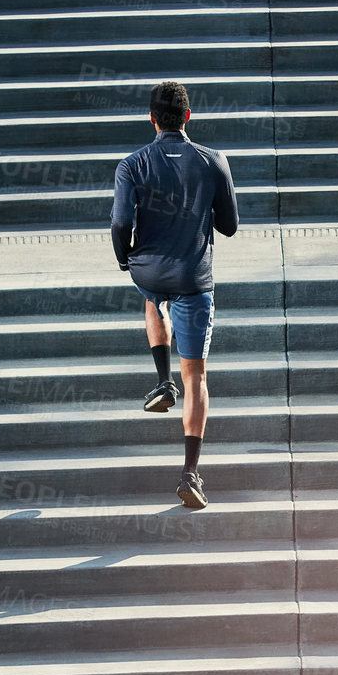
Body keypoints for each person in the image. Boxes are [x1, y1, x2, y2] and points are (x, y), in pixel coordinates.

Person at [110, 81, 239, 510]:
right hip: (192, 277)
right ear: (188, 117)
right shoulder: (213, 160)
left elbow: (119, 224)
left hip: (149, 269)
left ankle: (161, 380)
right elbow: (229, 226)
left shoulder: (131, 164)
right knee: (197, 376)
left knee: (151, 295)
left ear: (151, 119)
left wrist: (124, 259)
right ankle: (190, 472)